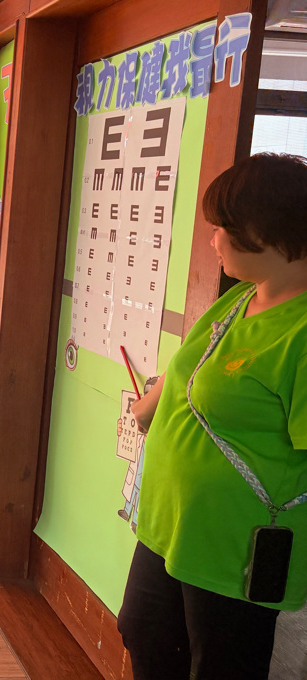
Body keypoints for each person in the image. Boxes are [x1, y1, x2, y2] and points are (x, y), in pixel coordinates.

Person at [117, 153, 307, 680]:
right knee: (144, 632)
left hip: (234, 547)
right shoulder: (241, 298)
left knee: (220, 666)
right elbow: (191, 365)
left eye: (222, 227)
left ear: (264, 232)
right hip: (171, 524)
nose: (213, 240)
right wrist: (149, 406)